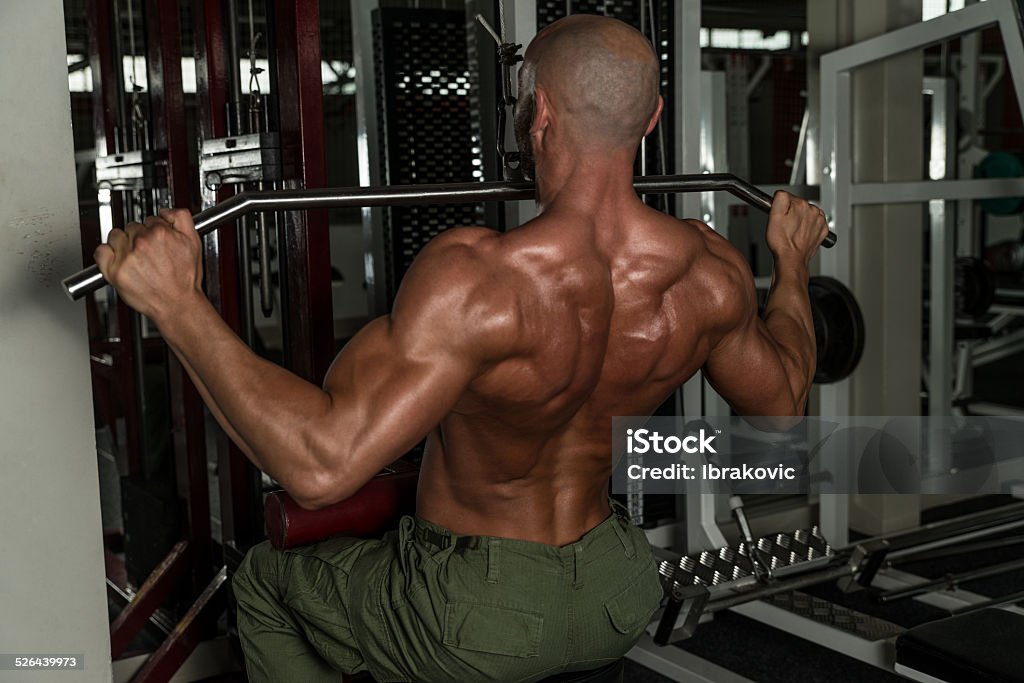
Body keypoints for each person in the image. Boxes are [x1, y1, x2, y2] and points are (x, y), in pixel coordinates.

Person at [94, 13, 828, 683]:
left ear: (536, 112)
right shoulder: (709, 272)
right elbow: (784, 406)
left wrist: (176, 303)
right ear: (653, 119)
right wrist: (791, 265)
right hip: (619, 588)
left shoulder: (481, 281)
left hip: (476, 615)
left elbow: (319, 466)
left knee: (264, 584)